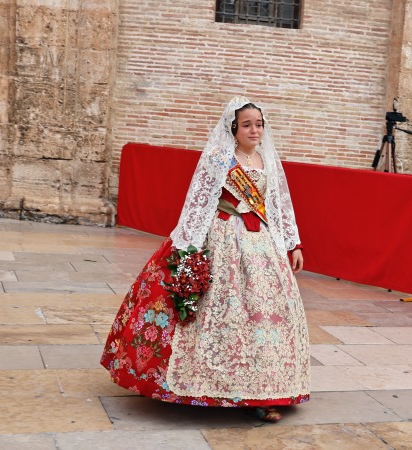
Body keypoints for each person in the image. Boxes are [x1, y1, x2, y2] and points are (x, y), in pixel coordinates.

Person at [100, 97, 311, 421]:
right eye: (247, 125)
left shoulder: (267, 159)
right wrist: (186, 247)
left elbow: (279, 204)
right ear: (234, 128)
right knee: (221, 310)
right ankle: (213, 385)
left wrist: (293, 243)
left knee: (266, 313)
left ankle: (268, 390)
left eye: (259, 124)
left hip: (261, 243)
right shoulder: (219, 157)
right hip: (223, 236)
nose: (254, 130)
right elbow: (198, 203)